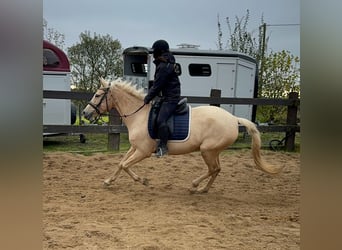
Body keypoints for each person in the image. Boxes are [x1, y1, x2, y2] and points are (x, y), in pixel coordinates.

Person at [144, 39, 181, 157]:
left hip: (171, 98)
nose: (153, 53)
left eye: (154, 51)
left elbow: (158, 85)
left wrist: (147, 98)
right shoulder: (164, 63)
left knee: (161, 120)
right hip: (166, 96)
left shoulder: (164, 65)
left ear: (159, 51)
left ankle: (163, 147)